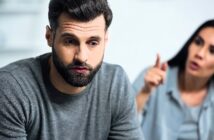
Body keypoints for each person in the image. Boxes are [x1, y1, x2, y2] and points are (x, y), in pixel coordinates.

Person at [0, 0, 143, 139]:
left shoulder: (115, 83)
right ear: (49, 36)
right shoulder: (11, 87)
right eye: (70, 41)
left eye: (93, 43)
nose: (81, 57)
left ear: (105, 40)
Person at [133, 19, 214, 140]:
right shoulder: (153, 77)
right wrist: (145, 92)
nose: (200, 54)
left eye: (212, 51)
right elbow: (121, 126)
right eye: (198, 42)